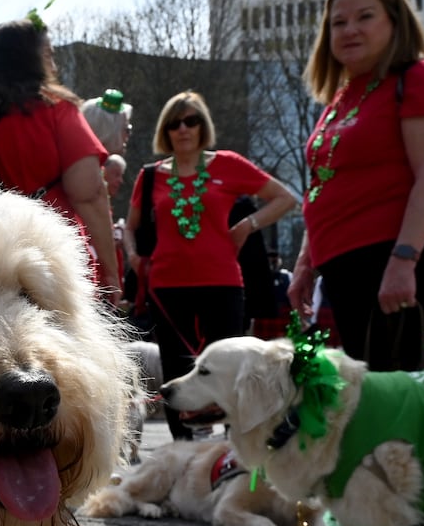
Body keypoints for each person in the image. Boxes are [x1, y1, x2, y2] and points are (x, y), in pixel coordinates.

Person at [286, 0, 424, 374]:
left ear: (395, 23)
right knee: (367, 387)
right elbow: (324, 183)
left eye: (365, 17)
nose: (350, 30)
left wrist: (404, 261)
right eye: (338, 22)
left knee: (392, 386)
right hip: (341, 265)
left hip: (390, 257)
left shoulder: (421, 78)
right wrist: (304, 264)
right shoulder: (343, 96)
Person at [125, 91, 296, 441]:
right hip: (167, 285)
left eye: (192, 121)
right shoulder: (151, 176)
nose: (183, 129)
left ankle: (234, 448)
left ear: (203, 126)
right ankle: (182, 451)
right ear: (165, 131)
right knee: (175, 365)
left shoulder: (228, 164)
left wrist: (249, 224)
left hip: (222, 284)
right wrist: (131, 254)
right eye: (175, 123)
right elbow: (130, 226)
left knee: (230, 367)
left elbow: (285, 198)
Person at [0, 20, 120, 300]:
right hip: (51, 260)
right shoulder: (58, 111)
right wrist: (110, 270)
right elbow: (90, 195)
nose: (55, 66)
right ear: (34, 60)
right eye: (50, 55)